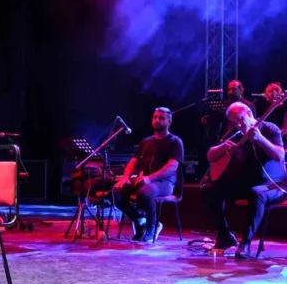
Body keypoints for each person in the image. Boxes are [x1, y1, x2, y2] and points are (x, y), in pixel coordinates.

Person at [201, 102, 287, 258]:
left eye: (240, 119)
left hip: (274, 185)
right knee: (209, 189)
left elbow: (279, 155)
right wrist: (224, 147)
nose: (238, 125)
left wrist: (260, 139)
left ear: (249, 113)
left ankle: (245, 244)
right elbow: (210, 155)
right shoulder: (239, 135)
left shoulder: (270, 129)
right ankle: (225, 235)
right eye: (234, 122)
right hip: (249, 183)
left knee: (257, 193)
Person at [112, 108, 184, 243]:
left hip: (165, 183)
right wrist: (126, 177)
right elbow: (133, 162)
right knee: (117, 191)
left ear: (169, 122)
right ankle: (140, 221)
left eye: (161, 118)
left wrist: (150, 178)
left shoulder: (175, 142)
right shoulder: (146, 142)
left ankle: (152, 227)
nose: (157, 120)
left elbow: (172, 167)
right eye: (155, 117)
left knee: (145, 192)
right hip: (144, 180)